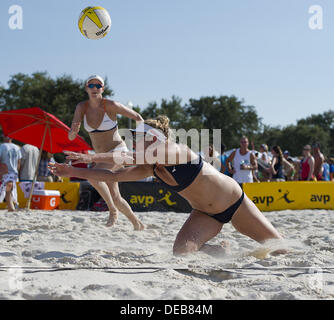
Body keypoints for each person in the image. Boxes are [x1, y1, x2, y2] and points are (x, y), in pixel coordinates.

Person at [49, 116, 285, 256]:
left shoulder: (175, 151)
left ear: (155, 138)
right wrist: (73, 171)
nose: (135, 140)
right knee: (181, 253)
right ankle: (221, 250)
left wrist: (91, 158)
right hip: (205, 214)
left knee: (278, 248)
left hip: (234, 202)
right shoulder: (149, 165)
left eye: (139, 137)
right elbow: (113, 176)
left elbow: (130, 157)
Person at [68, 74, 144, 230]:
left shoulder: (110, 105)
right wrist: (73, 132)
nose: (94, 88)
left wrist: (141, 141)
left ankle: (112, 211)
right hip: (101, 157)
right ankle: (137, 223)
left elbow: (138, 117)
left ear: (103, 88)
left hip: (118, 150)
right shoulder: (81, 107)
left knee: (93, 176)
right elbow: (71, 136)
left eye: (98, 86)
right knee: (115, 197)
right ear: (86, 88)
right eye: (91, 85)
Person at [0, 136, 22, 211]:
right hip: (14, 172)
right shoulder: (17, 147)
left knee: (7, 190)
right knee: (9, 190)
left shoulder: (2, 146)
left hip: (5, 171)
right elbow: (19, 163)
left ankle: (11, 207)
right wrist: (17, 171)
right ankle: (11, 206)